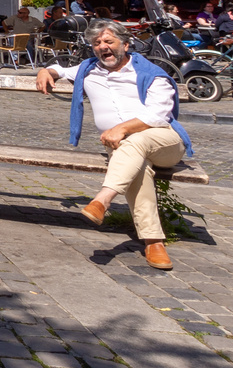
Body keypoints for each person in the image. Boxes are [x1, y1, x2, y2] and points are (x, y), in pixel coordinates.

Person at [34, 19, 194, 271]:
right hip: (122, 145)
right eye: (97, 43)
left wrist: (122, 128)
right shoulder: (88, 69)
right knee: (137, 166)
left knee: (135, 140)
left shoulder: (150, 73)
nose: (102, 47)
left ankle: (103, 199)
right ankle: (154, 242)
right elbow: (60, 70)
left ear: (126, 44)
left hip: (164, 141)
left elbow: (160, 115)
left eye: (109, 41)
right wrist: (45, 70)